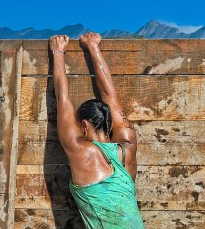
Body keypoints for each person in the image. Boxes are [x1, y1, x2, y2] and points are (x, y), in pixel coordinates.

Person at [49, 32, 145, 229]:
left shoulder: (81, 151)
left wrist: (58, 52)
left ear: (84, 125)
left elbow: (63, 99)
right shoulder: (128, 146)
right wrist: (93, 47)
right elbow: (110, 96)